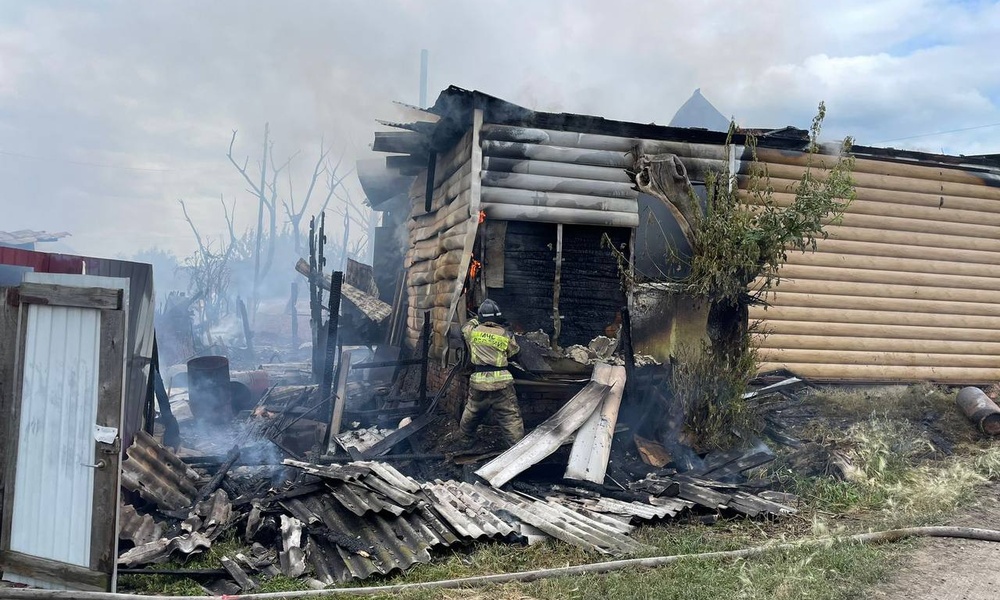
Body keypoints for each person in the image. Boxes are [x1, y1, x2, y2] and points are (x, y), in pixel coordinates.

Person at [457, 299, 524, 448]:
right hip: (502, 383)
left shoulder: (472, 332)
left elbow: (464, 328)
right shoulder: (505, 334)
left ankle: (465, 441)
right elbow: (515, 352)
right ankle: (515, 449)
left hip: (479, 382)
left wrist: (475, 319)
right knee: (510, 417)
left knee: (472, 412)